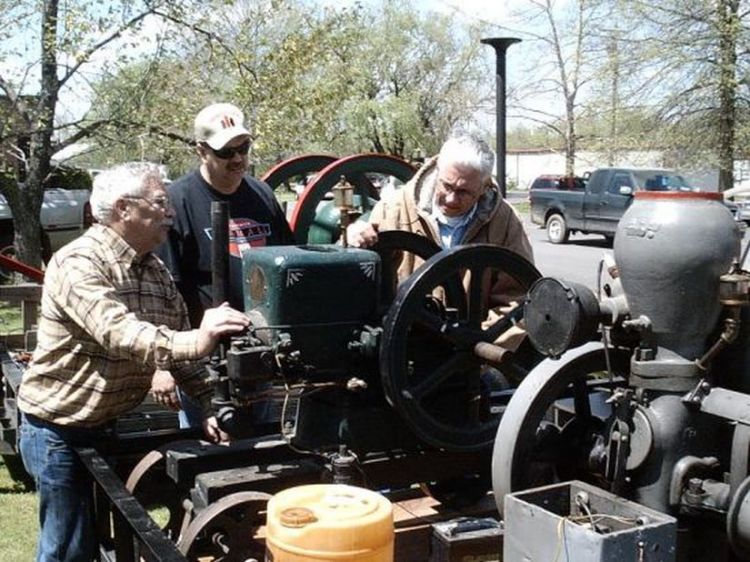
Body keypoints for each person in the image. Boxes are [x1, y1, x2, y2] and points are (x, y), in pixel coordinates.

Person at [17, 162, 251, 562]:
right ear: (124, 208)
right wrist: (199, 339)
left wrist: (209, 402)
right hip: (57, 430)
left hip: (102, 424)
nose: (171, 211)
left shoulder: (154, 269)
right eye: (160, 202)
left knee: (96, 542)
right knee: (67, 548)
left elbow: (179, 349)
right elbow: (120, 333)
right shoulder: (79, 263)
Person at [155, 102, 294, 427]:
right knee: (209, 444)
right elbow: (166, 292)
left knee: (259, 439)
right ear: (202, 151)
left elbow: (288, 262)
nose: (238, 159)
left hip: (259, 350)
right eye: (226, 152)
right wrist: (164, 365)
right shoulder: (178, 201)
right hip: (203, 358)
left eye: (243, 148)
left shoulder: (262, 194)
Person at [348, 133, 534, 301]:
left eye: (464, 191)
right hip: (406, 328)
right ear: (437, 172)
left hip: (477, 329)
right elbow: (363, 276)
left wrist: (487, 330)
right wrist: (354, 239)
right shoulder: (394, 209)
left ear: (485, 187)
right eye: (447, 186)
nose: (451, 199)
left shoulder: (506, 222)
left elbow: (518, 297)